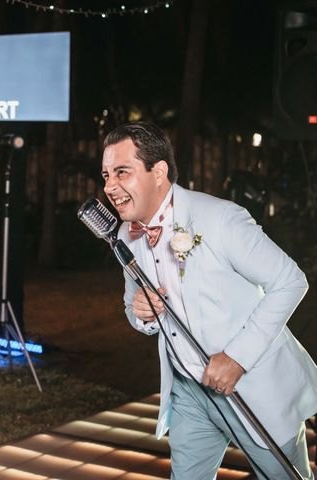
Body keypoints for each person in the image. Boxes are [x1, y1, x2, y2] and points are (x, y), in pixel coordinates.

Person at [101, 121, 317, 479]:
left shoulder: (219, 219)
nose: (110, 186)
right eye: (107, 174)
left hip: (254, 388)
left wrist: (237, 358)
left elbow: (290, 281)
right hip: (188, 392)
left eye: (122, 172)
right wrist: (142, 313)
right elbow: (134, 311)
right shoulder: (126, 234)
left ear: (159, 172)